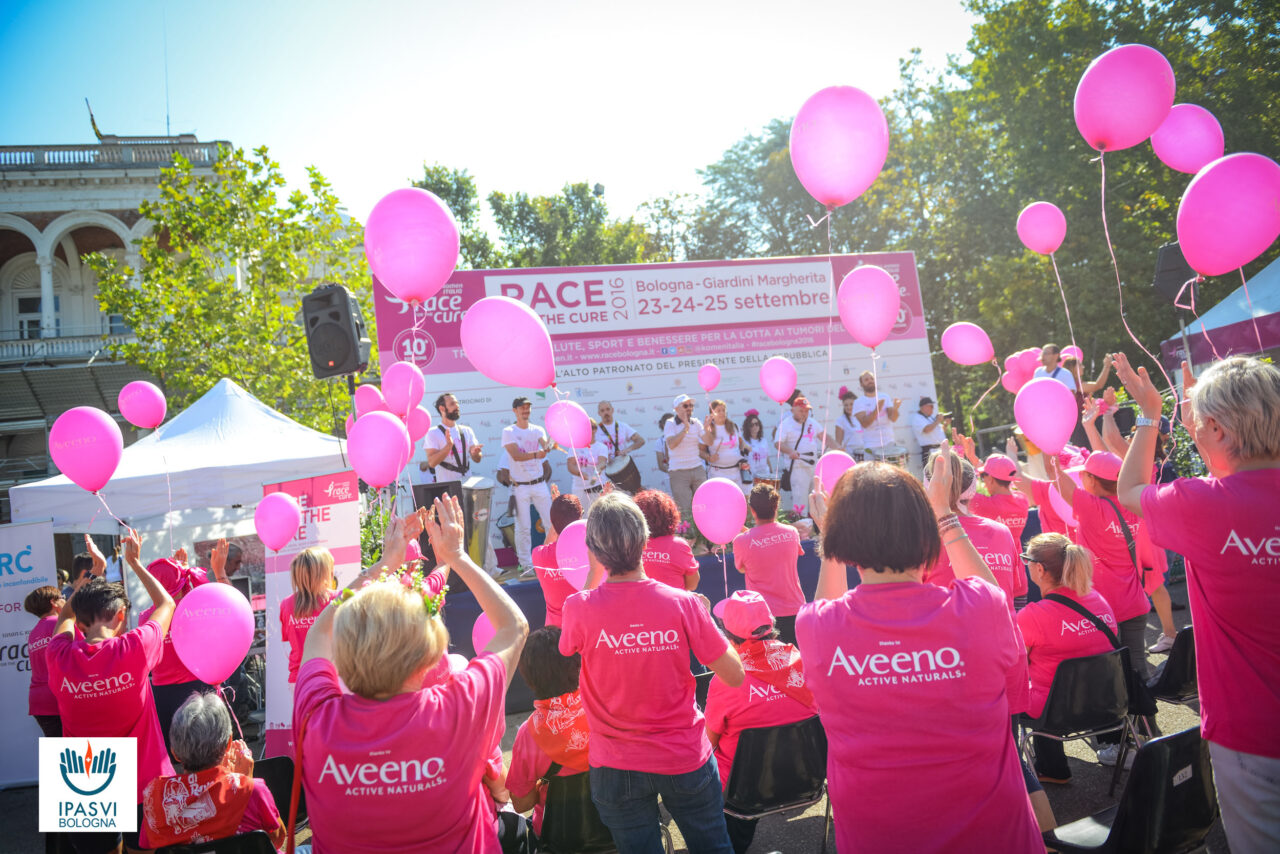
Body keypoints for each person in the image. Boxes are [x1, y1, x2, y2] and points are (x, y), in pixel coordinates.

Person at [798, 445, 1044, 854]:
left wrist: (831, 540)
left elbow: (821, 606)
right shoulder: (979, 608)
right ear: (927, 530)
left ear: (840, 542)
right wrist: (945, 514)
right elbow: (992, 591)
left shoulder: (818, 626)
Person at [294, 496, 528, 852]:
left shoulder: (317, 719)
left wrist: (383, 565)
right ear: (427, 655)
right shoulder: (457, 708)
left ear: (343, 654)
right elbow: (513, 626)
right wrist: (458, 557)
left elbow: (317, 635)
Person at [1114, 353, 1280, 854]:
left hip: (1250, 733)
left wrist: (1149, 417)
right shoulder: (1205, 499)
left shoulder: (1202, 504)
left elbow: (1130, 490)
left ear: (1217, 429)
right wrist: (1203, 428)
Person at [559, 492, 744, 854]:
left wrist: (596, 566)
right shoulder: (684, 603)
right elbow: (735, 674)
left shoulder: (578, 607)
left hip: (615, 764)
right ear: (645, 540)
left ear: (593, 551)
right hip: (683, 757)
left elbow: (567, 647)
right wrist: (707, 623)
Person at [49, 529, 176, 854]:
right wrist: (133, 562)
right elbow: (166, 603)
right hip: (142, 778)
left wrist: (91, 578)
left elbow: (64, 618)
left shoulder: (58, 655)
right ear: (121, 616)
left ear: (80, 620)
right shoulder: (135, 648)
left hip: (82, 778)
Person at [704, 591, 817, 854]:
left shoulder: (726, 679)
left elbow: (708, 743)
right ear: (771, 624)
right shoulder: (802, 660)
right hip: (806, 777)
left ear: (728, 634)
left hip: (744, 790)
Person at [1016, 533, 1117, 784]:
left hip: (1056, 712)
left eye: (1026, 560)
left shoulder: (1033, 616)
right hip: (1107, 702)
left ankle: (1051, 768)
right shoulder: (1099, 601)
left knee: (1021, 688)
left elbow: (1016, 664)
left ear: (1039, 569)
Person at [1050, 452, 1152, 689]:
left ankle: (1121, 725)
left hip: (1104, 608)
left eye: (1084, 475)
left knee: (1112, 677)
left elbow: (1059, 482)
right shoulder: (1132, 503)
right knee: (1138, 670)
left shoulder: (1091, 507)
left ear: (1093, 480)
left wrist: (1052, 454)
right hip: (1136, 603)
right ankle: (1148, 724)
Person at [140, 692, 286, 850]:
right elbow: (277, 840)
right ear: (228, 743)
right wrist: (243, 782)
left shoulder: (154, 798)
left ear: (174, 752)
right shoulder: (253, 791)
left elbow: (149, 847)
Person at [141, 539, 233, 755]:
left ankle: (183, 788)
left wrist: (178, 574)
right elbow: (229, 606)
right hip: (200, 689)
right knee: (213, 750)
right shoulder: (195, 610)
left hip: (163, 694)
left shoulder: (147, 617)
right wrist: (219, 572)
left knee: (177, 754)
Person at [507, 626, 591, 837]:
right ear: (577, 663)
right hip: (619, 828)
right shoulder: (604, 709)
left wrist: (543, 784)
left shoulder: (529, 733)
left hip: (560, 837)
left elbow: (520, 803)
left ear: (529, 676)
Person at [922, 452, 1024, 614]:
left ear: (929, 489)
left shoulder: (922, 538)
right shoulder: (1002, 531)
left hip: (953, 637)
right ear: (972, 490)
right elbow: (1019, 596)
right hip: (1005, 635)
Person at [732, 484, 805, 645]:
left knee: (772, 668)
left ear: (752, 510)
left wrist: (749, 536)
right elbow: (787, 555)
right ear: (776, 507)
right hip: (795, 610)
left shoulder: (741, 541)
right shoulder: (791, 532)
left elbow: (743, 568)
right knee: (800, 665)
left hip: (763, 617)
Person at [504, 396, 556, 574]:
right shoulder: (509, 431)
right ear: (515, 411)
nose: (525, 411)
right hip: (520, 487)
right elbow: (516, 455)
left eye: (527, 408)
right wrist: (537, 455)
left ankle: (552, 558)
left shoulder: (537, 429)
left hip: (539, 483)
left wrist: (551, 441)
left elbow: (546, 446)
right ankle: (526, 564)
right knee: (523, 527)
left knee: (551, 522)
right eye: (522, 408)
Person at [280, 547, 336, 684]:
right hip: (331, 676)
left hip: (299, 680)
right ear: (324, 571)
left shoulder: (286, 604)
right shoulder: (337, 599)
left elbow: (290, 638)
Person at [532, 493, 584, 627]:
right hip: (586, 630)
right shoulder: (591, 551)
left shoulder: (538, 555)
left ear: (552, 523)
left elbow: (547, 544)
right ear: (580, 517)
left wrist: (556, 518)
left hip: (555, 635)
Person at [634, 489, 700, 591]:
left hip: (638, 604)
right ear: (670, 515)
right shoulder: (679, 545)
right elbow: (692, 585)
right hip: (673, 604)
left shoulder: (629, 546)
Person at [24, 585, 66, 737]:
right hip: (58, 699)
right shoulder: (59, 623)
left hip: (38, 701)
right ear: (54, 602)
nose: (65, 601)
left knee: (62, 756)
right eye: (63, 598)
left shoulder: (34, 632)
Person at [777, 396, 824, 517]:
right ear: (793, 410)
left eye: (806, 411)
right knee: (800, 500)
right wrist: (790, 451)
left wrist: (837, 446)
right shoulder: (786, 424)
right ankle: (802, 529)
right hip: (798, 468)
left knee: (818, 497)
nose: (804, 414)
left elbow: (824, 437)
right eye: (801, 411)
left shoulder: (812, 423)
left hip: (813, 466)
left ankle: (817, 526)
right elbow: (778, 443)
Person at [664, 394, 708, 525]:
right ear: (677, 409)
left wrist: (707, 429)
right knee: (686, 511)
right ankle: (691, 541)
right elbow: (671, 444)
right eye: (685, 405)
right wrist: (685, 429)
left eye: (691, 405)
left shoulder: (697, 422)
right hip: (679, 472)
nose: (689, 408)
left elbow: (708, 442)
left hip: (697, 469)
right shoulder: (670, 423)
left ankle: (707, 541)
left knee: (704, 506)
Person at [424, 391, 485, 484]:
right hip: (447, 488)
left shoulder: (466, 430)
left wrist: (476, 454)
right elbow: (432, 463)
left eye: (457, 403)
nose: (457, 406)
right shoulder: (433, 433)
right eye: (452, 404)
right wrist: (448, 446)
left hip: (467, 486)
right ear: (442, 408)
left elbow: (477, 459)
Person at [851, 370, 901, 458]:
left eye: (871, 379)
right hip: (871, 447)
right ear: (861, 384)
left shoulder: (885, 397)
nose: (870, 381)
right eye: (866, 380)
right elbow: (865, 424)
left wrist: (895, 408)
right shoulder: (858, 402)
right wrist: (877, 409)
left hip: (889, 444)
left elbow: (893, 418)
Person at [567, 418, 610, 513]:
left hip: (598, 487)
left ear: (595, 430)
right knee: (581, 516)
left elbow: (602, 462)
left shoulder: (602, 447)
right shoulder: (574, 447)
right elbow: (570, 465)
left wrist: (597, 470)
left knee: (600, 515)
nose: (591, 430)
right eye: (588, 427)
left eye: (593, 427)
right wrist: (580, 473)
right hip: (580, 489)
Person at [702, 399, 746, 481]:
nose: (722, 413)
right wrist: (709, 457)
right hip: (717, 473)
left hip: (736, 473)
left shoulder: (734, 426)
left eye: (723, 410)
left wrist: (742, 456)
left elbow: (741, 442)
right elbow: (701, 451)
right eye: (718, 411)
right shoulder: (708, 429)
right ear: (712, 414)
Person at [910, 397, 948, 468]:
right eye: (931, 406)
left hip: (939, 450)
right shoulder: (917, 418)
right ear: (924, 407)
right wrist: (937, 421)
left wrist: (945, 424)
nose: (933, 408)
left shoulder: (930, 417)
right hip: (930, 452)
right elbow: (926, 430)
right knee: (932, 475)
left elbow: (941, 431)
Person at [740, 410, 774, 484]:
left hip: (765, 476)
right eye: (751, 425)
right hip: (751, 477)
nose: (755, 427)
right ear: (747, 427)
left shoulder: (763, 440)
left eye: (756, 424)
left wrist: (771, 470)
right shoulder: (744, 441)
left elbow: (767, 457)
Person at [833, 387, 865, 461]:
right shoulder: (840, 420)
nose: (849, 407)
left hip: (865, 455)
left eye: (851, 404)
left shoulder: (861, 416)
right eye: (846, 405)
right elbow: (838, 443)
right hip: (850, 456)